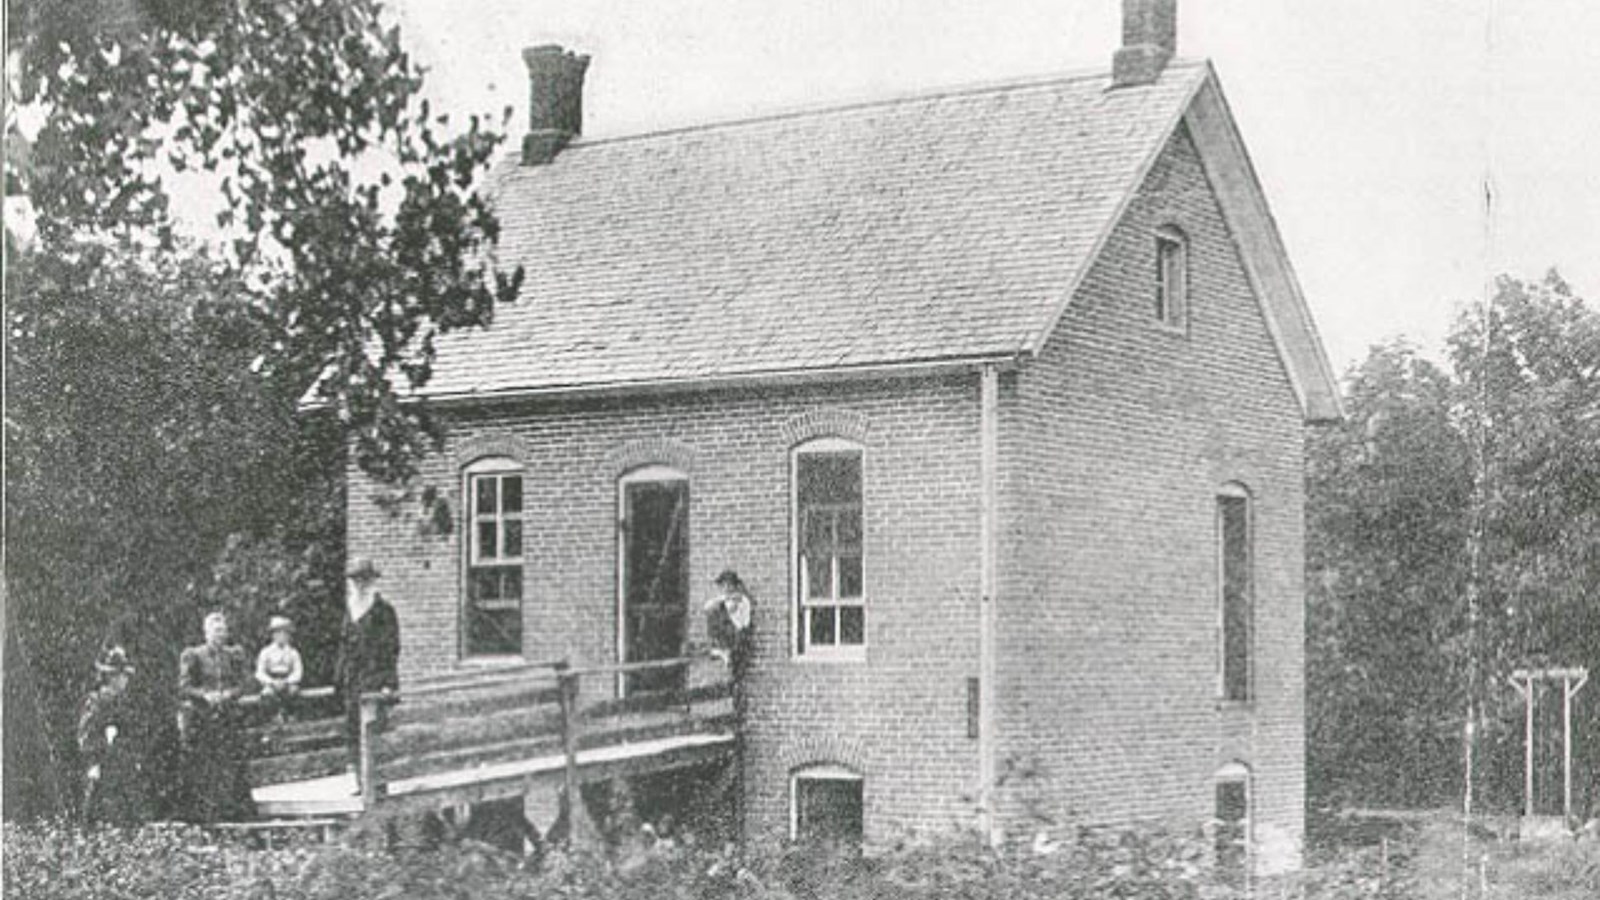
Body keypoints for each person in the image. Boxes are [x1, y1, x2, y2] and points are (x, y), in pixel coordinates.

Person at [177, 611, 254, 821]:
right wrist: (205, 695)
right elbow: (184, 687)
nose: (221, 635)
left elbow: (244, 683)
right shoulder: (194, 655)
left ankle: (234, 811)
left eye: (223, 630)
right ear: (206, 632)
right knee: (205, 767)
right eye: (216, 630)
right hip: (203, 718)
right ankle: (206, 814)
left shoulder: (233, 655)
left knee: (232, 763)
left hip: (228, 716)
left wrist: (229, 693)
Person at [335, 557, 400, 779]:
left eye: (364, 580)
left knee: (373, 730)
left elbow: (392, 649)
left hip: (374, 679)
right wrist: (339, 678)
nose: (360, 585)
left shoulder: (384, 611)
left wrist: (388, 684)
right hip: (352, 681)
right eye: (355, 580)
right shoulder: (349, 610)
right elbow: (343, 647)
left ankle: (376, 783)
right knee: (352, 730)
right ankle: (357, 780)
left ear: (372, 581)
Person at [77, 645, 149, 825]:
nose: (124, 680)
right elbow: (86, 733)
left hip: (124, 762)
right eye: (121, 675)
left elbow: (133, 730)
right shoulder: (97, 701)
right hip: (104, 763)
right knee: (100, 809)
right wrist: (95, 759)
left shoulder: (125, 701)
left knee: (127, 811)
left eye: (125, 676)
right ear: (111, 677)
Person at [703, 570, 754, 678]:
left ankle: (726, 652)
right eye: (723, 585)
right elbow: (706, 607)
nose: (725, 588)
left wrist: (729, 601)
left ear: (734, 586)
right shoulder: (724, 599)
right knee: (712, 612)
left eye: (728, 585)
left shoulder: (742, 600)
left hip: (739, 636)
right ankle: (721, 649)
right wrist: (723, 598)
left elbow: (736, 615)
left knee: (736, 672)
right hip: (727, 636)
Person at [255, 615, 304, 721]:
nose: (282, 636)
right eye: (278, 633)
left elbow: (298, 671)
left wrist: (287, 681)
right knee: (267, 694)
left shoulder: (293, 652)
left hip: (288, 681)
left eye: (285, 633)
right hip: (272, 681)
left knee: (293, 692)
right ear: (273, 635)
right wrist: (271, 682)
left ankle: (291, 716)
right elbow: (259, 672)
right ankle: (273, 718)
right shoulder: (266, 652)